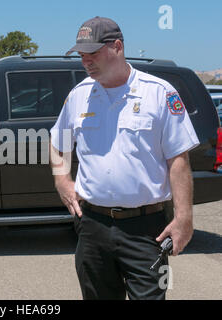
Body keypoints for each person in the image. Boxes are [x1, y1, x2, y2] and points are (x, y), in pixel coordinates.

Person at [50, 17, 199, 300]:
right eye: (82, 55)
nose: (86, 62)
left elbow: (178, 160)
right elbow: (57, 142)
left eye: (93, 53)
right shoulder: (79, 95)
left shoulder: (159, 93)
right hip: (92, 225)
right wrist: (62, 179)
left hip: (146, 230)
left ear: (117, 47)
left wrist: (184, 218)